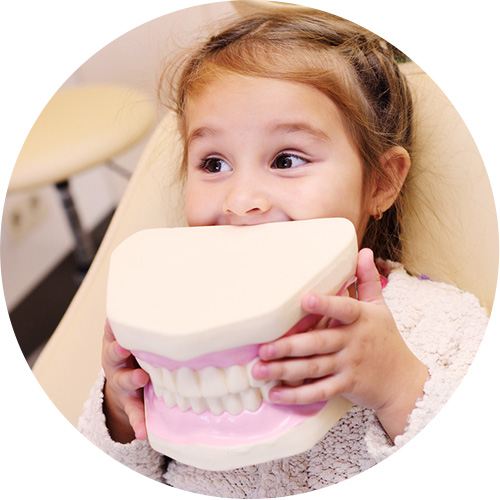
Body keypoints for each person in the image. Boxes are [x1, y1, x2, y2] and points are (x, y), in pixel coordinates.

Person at [78, 4, 488, 497]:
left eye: (286, 159)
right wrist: (121, 408)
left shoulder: (444, 323)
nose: (241, 200)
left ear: (380, 183)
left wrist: (398, 386)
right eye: (212, 164)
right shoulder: (169, 314)